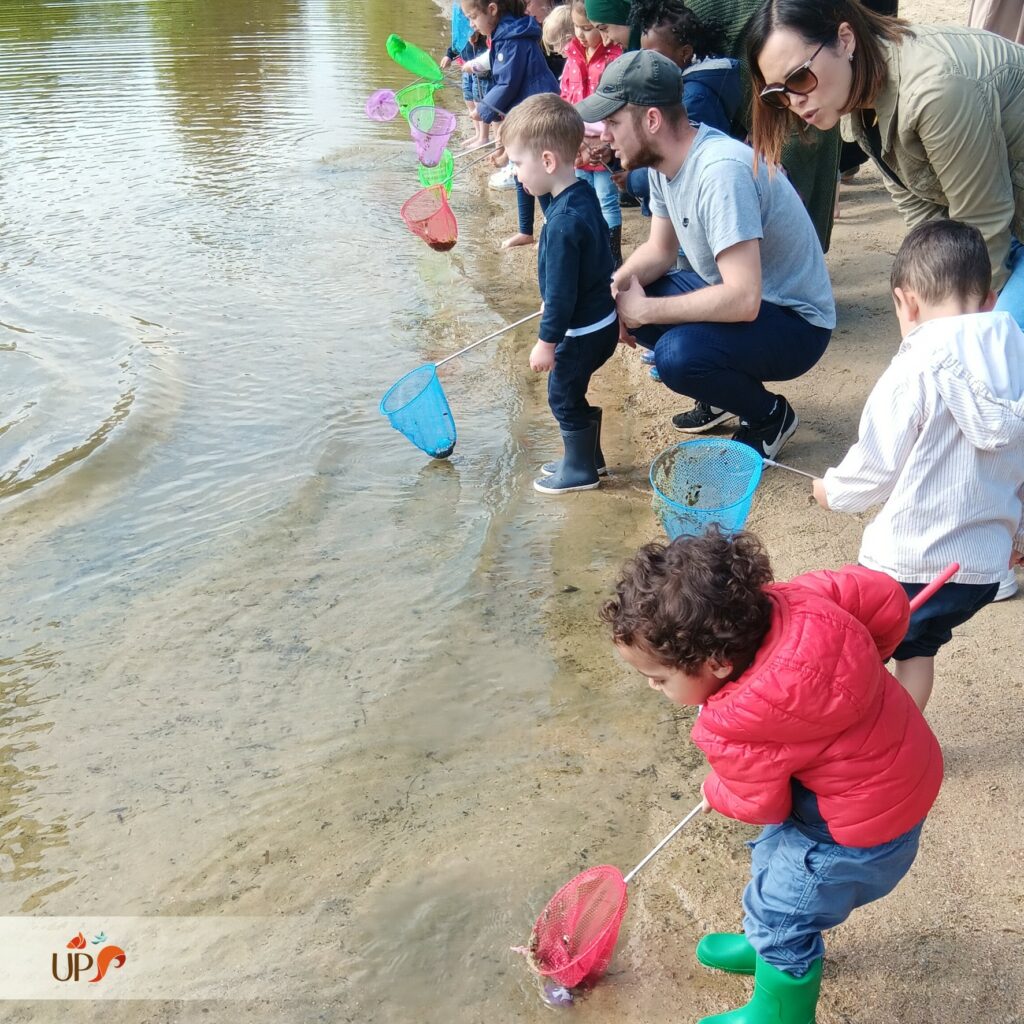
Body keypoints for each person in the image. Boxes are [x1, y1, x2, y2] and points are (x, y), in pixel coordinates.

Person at [603, 527, 943, 1024]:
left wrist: (714, 789)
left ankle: (779, 1008)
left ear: (717, 663)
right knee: (770, 855)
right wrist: (865, 656)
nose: (655, 689)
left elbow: (759, 804)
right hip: (897, 778)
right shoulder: (799, 598)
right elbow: (885, 598)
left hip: (851, 835)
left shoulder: (734, 720)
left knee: (783, 914)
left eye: (659, 678)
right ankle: (765, 947)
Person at [577, 50, 835, 459]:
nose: (605, 135)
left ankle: (769, 416)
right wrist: (615, 289)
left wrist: (645, 312)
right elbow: (660, 251)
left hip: (796, 322)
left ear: (651, 120)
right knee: (633, 292)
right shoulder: (666, 161)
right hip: (747, 300)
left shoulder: (719, 172)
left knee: (676, 356)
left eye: (613, 122)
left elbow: (743, 299)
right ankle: (721, 393)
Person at [813, 221, 1024, 710]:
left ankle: (867, 747)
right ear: (990, 301)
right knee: (917, 645)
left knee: (850, 645)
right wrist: (1015, 538)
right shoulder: (1017, 364)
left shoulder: (914, 367)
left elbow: (873, 472)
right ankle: (904, 737)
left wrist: (830, 492)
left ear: (906, 302)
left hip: (905, 566)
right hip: (979, 573)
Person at [746, 1, 1024, 330]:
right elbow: (922, 213)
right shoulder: (860, 90)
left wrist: (952, 329)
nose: (793, 100)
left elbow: (983, 228)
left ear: (845, 39)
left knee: (986, 353)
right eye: (777, 94)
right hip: (1004, 226)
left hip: (1001, 230)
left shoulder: (934, 91)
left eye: (800, 77)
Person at [499, 93, 619, 494]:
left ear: (548, 162)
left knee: (562, 396)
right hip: (601, 323)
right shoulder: (579, 193)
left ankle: (580, 473)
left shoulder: (564, 222)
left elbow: (563, 297)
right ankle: (587, 459)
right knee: (574, 390)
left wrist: (545, 342)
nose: (516, 174)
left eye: (518, 164)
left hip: (581, 333)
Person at [619, 0, 744, 218]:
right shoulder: (690, 87)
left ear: (685, 52)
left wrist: (633, 180)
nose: (647, 62)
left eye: (654, 55)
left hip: (697, 204)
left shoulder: (694, 99)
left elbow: (680, 158)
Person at [461, 0, 560, 247]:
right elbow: (499, 71)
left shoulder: (511, 38)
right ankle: (526, 231)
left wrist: (483, 110)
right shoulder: (505, 33)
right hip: (526, 108)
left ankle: (551, 226)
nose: (471, 23)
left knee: (537, 171)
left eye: (473, 17)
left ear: (492, 9)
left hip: (537, 110)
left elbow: (508, 83)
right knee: (519, 171)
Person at [559, 1, 624, 264]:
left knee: (606, 199)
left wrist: (604, 139)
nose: (582, 35)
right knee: (580, 195)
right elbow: (564, 94)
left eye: (588, 28)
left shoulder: (616, 56)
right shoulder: (571, 54)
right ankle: (588, 248)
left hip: (602, 143)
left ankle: (612, 257)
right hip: (577, 140)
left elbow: (620, 105)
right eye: (577, 28)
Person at [441, 7, 491, 150]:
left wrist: (476, 34)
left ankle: (484, 137)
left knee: (479, 98)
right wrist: (449, 54)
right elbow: (458, 34)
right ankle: (477, 133)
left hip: (479, 64)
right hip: (466, 64)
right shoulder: (459, 5)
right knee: (468, 98)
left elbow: (483, 21)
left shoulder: (477, 12)